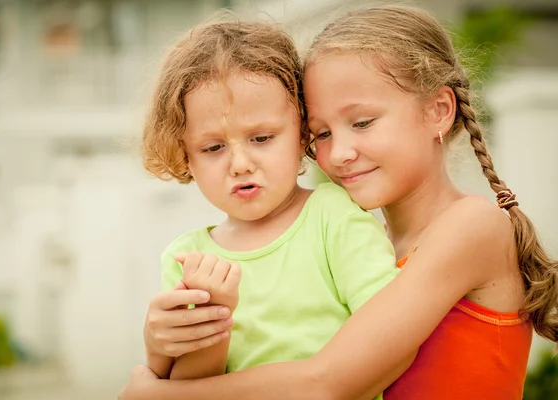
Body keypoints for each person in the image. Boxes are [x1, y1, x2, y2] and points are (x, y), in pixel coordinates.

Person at [119, 5, 558, 400]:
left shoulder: (472, 225)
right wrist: (162, 344)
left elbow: (328, 382)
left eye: (362, 122)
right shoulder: (369, 242)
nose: (339, 152)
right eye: (323, 133)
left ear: (438, 111)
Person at [140, 17, 398, 384]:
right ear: (185, 156)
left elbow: (386, 344)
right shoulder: (187, 258)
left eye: (261, 138)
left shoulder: (333, 217)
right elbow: (190, 390)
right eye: (213, 147)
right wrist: (213, 319)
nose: (241, 165)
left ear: (301, 133)